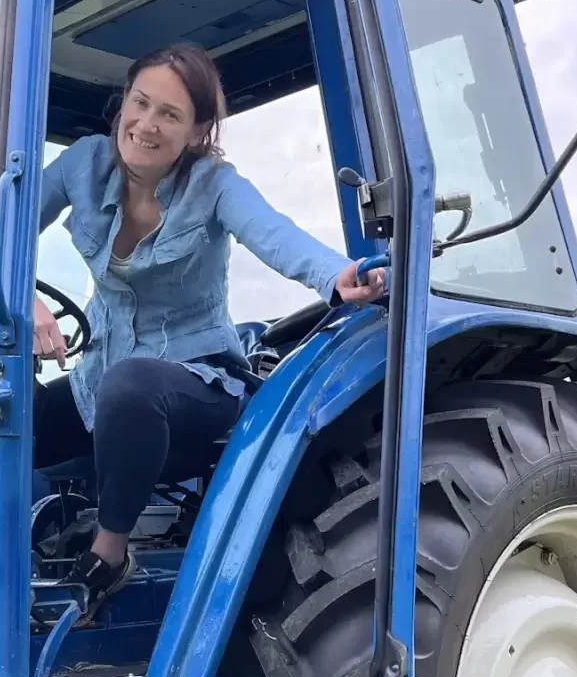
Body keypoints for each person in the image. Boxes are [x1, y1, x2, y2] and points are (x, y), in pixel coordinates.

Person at [33, 41, 387, 620]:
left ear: (196, 130)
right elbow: (5, 227)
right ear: (124, 103)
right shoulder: (83, 164)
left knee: (131, 387)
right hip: (99, 382)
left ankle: (110, 555)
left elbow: (273, 233)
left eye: (169, 114)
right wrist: (26, 301)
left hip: (193, 387)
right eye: (140, 103)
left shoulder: (214, 185)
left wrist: (336, 274)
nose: (146, 124)